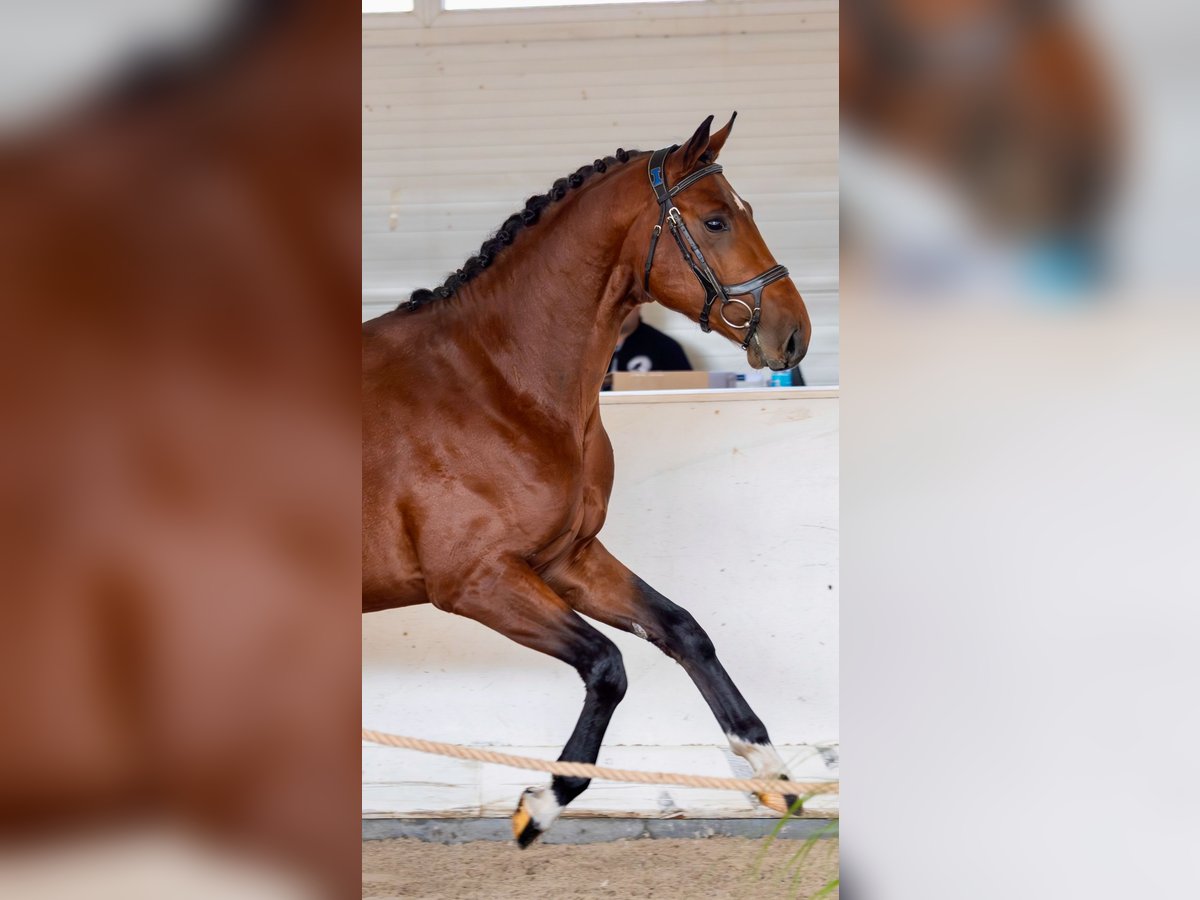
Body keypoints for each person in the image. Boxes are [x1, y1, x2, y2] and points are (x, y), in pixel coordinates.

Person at [609, 308, 692, 376]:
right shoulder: (596, 347)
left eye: (623, 303)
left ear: (638, 304)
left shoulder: (667, 347)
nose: (617, 311)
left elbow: (688, 388)